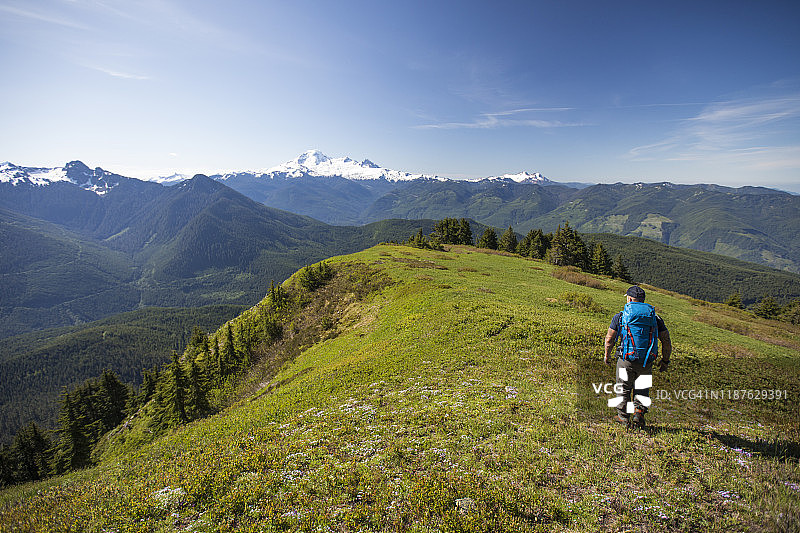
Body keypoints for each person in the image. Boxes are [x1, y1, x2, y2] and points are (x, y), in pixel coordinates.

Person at [604, 285, 672, 427]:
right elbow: (666, 341)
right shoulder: (655, 318)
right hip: (646, 361)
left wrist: (607, 355)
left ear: (629, 299)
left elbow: (609, 339)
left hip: (625, 360)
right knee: (642, 388)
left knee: (623, 388)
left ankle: (623, 418)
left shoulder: (621, 316)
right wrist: (665, 360)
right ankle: (639, 414)